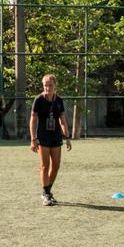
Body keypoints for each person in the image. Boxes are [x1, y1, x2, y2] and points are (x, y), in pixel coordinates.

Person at [30, 74, 72, 205]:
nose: (48, 88)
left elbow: (62, 120)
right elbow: (33, 119)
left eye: (50, 85)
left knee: (56, 166)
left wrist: (67, 137)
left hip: (56, 136)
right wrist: (33, 138)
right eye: (45, 85)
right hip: (43, 137)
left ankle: (47, 191)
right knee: (44, 166)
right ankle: (46, 194)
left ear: (55, 86)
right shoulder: (38, 100)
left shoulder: (59, 100)